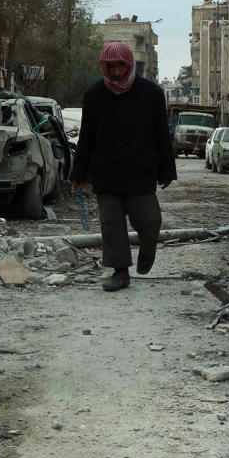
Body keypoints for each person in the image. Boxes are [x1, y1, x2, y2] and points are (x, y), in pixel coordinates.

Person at [70, 41, 177, 291]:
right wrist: (79, 172)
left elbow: (162, 134)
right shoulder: (94, 95)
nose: (116, 72)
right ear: (104, 67)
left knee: (150, 223)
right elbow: (86, 137)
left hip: (141, 172)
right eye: (111, 67)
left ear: (129, 65)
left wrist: (167, 171)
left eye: (120, 66)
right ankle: (120, 272)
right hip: (105, 173)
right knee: (112, 225)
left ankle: (148, 248)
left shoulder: (151, 93)